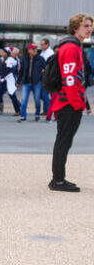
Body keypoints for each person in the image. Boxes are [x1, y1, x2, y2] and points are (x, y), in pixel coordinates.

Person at [48, 13, 93, 192]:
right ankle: (58, 180)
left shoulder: (72, 46)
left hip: (68, 102)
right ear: (76, 27)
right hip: (68, 103)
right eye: (86, 25)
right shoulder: (71, 48)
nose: (90, 29)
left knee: (64, 141)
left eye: (90, 25)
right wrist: (77, 103)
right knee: (63, 141)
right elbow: (69, 79)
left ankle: (58, 178)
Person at [17, 44, 46, 122]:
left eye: (36, 49)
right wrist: (18, 82)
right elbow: (21, 71)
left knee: (37, 100)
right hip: (26, 83)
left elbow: (45, 70)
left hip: (37, 83)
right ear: (29, 50)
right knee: (24, 100)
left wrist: (42, 80)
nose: (35, 50)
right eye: (33, 49)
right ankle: (23, 116)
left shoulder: (41, 59)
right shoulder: (24, 59)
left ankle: (37, 114)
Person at [39, 38, 54, 115]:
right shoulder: (42, 52)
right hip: (41, 76)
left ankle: (47, 110)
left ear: (47, 45)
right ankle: (48, 108)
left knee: (44, 94)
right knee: (41, 94)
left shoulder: (50, 53)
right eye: (41, 44)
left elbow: (49, 65)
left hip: (47, 77)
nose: (41, 46)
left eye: (42, 44)